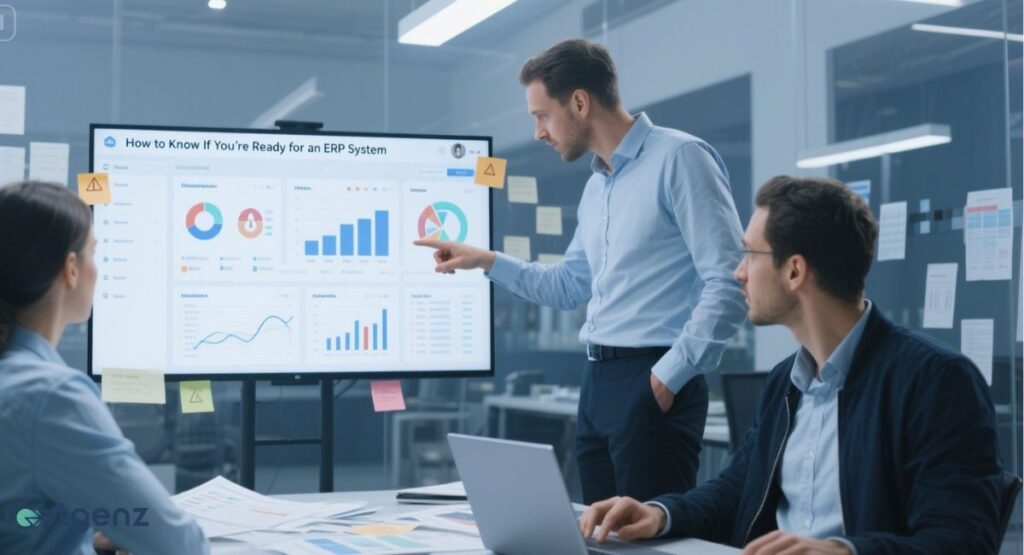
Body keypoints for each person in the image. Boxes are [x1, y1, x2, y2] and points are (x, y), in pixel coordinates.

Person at [580, 175, 1003, 555]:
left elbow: (963, 539)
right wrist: (659, 513)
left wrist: (843, 551)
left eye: (749, 254)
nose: (738, 272)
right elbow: (737, 488)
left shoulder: (935, 381)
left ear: (795, 271)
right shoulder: (786, 381)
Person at [414, 38, 747, 504]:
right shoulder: (597, 187)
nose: (538, 132)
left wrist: (669, 376)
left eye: (541, 115)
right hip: (597, 382)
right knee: (597, 536)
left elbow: (729, 281)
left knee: (647, 541)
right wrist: (485, 260)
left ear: (579, 102)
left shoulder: (680, 159)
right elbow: (571, 286)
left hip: (653, 378)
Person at [0, 181, 209, 554]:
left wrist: (80, 533)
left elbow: (16, 516)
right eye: (94, 253)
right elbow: (180, 544)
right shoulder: (51, 395)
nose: (98, 269)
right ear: (71, 269)